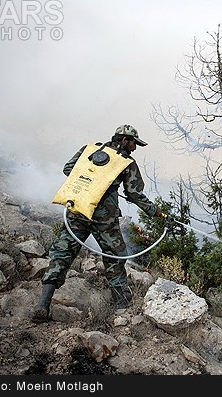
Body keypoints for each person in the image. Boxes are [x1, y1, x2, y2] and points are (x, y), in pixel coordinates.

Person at [32, 124, 166, 323]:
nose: (134, 148)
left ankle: (43, 304)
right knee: (115, 257)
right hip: (104, 219)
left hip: (77, 210)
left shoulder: (91, 149)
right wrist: (158, 213)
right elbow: (135, 194)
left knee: (62, 254)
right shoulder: (126, 162)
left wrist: (93, 184)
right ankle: (121, 305)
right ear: (123, 140)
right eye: (133, 143)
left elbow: (68, 169)